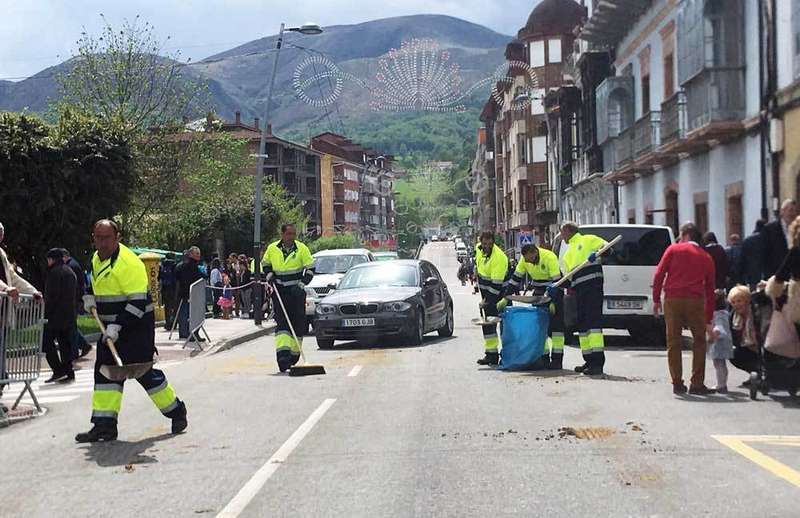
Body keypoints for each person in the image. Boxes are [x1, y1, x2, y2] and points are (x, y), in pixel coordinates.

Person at [76, 219, 187, 443]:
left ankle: (176, 411)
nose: (102, 243)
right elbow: (96, 284)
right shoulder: (97, 258)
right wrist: (89, 297)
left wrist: (117, 326)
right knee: (105, 375)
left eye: (107, 238)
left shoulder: (129, 263)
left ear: (118, 237)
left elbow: (137, 303)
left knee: (144, 374)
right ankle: (104, 426)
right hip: (108, 329)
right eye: (98, 237)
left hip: (135, 330)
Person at [653, 222, 716, 395]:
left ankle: (677, 382)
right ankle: (697, 383)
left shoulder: (673, 250)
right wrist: (709, 316)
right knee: (699, 341)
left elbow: (659, 273)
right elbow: (711, 288)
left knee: (674, 341)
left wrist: (656, 299)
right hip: (695, 300)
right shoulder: (706, 256)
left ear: (686, 235)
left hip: (673, 299)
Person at [262, 223, 315, 372]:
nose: (292, 237)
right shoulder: (272, 248)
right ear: (282, 234)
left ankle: (294, 354)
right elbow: (265, 264)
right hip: (280, 292)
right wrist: (269, 275)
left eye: (293, 234)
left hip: (296, 293)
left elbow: (310, 269)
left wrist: (302, 285)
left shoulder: (301, 248)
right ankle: (283, 357)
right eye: (289, 234)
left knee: (298, 323)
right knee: (283, 324)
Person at [0, 222, 42, 406]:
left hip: (2, 312)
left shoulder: (1, 253)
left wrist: (33, 291)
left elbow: (13, 277)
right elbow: (8, 284)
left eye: (1, 233)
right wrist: (6, 288)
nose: (1, 236)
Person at [559, 222, 608, 376]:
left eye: (562, 232)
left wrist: (599, 253)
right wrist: (556, 285)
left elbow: (608, 249)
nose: (561, 236)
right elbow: (567, 279)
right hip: (579, 293)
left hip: (593, 288)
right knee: (582, 326)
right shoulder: (567, 254)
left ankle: (597, 362)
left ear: (568, 230)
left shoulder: (589, 239)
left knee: (593, 324)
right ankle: (588, 360)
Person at [506, 244, 564, 369]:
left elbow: (557, 282)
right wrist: (506, 296)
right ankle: (543, 358)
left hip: (554, 291)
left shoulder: (549, 257)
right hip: (538, 292)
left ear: (535, 252)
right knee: (539, 328)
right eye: (526, 260)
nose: (528, 263)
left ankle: (557, 360)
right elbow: (516, 278)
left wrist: (553, 301)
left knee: (556, 329)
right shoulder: (525, 259)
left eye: (529, 259)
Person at [42, 248, 78, 383]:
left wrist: (45, 312)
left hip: (54, 315)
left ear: (52, 259)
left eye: (48, 259)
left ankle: (58, 370)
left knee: (46, 342)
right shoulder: (69, 271)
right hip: (68, 313)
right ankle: (69, 371)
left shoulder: (53, 273)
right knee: (65, 344)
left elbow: (51, 296)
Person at [474, 231, 508, 366]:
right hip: (486, 293)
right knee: (488, 326)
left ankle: (507, 354)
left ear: (494, 243)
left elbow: (496, 285)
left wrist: (486, 301)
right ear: (480, 242)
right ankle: (491, 355)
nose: (487, 246)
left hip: (499, 295)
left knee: (504, 326)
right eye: (484, 243)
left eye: (489, 244)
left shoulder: (498, 257)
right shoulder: (478, 248)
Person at [61, 248, 92, 359]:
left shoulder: (70, 266)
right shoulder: (73, 264)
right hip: (75, 300)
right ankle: (83, 345)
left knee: (71, 327)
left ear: (64, 256)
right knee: (71, 326)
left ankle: (74, 352)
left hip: (73, 301)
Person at [763, 199, 798, 278]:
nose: (793, 214)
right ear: (782, 211)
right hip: (776, 277)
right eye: (790, 210)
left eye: (795, 211)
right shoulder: (769, 229)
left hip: (795, 278)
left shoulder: (797, 228)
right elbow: (764, 255)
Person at [708, 291, 734, 394]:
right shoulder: (724, 313)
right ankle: (723, 383)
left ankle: (721, 384)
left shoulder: (718, 314)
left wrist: (715, 333)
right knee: (721, 364)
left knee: (718, 364)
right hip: (724, 341)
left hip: (719, 341)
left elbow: (719, 326)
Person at [175, 246, 203, 339]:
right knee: (188, 314)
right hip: (188, 294)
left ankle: (187, 333)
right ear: (190, 254)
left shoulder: (183, 265)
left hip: (188, 293)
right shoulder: (190, 265)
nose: (199, 256)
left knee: (187, 314)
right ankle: (190, 333)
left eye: (199, 253)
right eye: (197, 253)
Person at [742, 220, 766, 288]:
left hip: (751, 274)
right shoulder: (768, 239)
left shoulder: (747, 241)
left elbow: (742, 260)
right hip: (766, 274)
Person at [158, 252, 178, 331]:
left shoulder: (162, 265)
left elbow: (158, 278)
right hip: (173, 289)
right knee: (174, 307)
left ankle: (168, 323)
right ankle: (173, 323)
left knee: (167, 307)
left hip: (165, 289)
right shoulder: (175, 265)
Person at [237, 254, 252, 319]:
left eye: (240, 265)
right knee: (243, 300)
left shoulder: (248, 272)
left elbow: (248, 280)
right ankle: (245, 311)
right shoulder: (241, 272)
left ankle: (248, 312)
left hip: (247, 288)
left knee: (247, 300)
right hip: (242, 288)